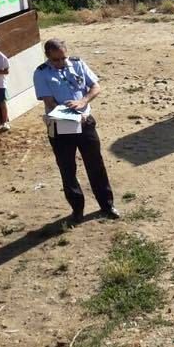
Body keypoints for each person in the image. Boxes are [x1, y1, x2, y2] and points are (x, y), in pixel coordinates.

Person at [33, 38, 119, 223]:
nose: (61, 63)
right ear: (47, 56)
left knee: (95, 165)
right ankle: (77, 210)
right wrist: (71, 114)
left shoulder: (78, 64)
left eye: (63, 58)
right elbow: (49, 102)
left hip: (85, 122)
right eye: (56, 60)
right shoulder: (41, 73)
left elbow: (95, 86)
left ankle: (107, 205)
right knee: (67, 168)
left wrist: (83, 101)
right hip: (60, 126)